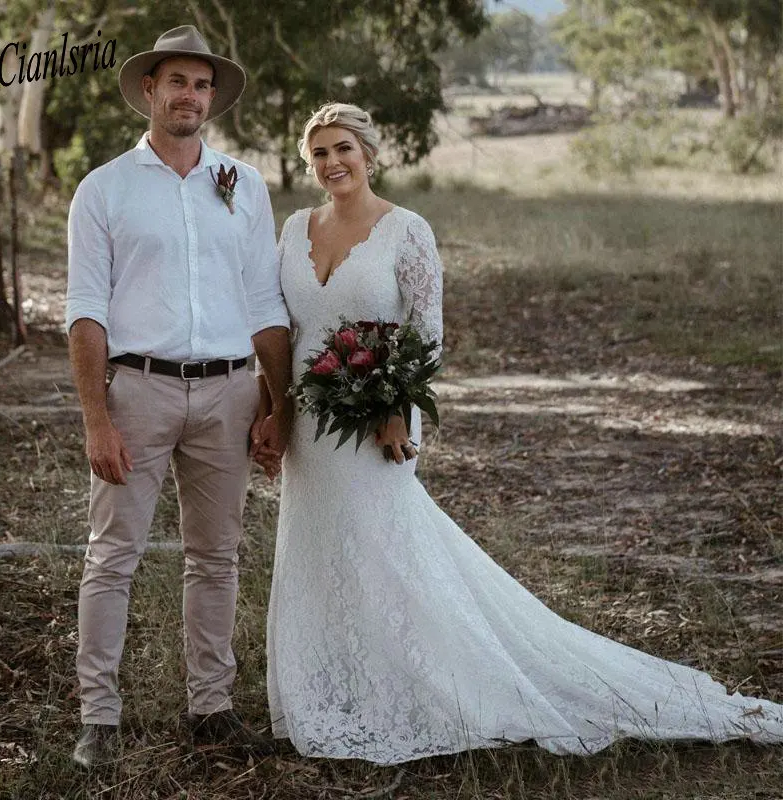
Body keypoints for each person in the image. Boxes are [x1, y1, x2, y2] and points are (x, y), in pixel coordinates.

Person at [255, 102, 783, 765]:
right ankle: (337, 683)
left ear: (369, 153)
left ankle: (422, 680)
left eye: (343, 149)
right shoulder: (294, 227)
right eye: (319, 154)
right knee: (319, 543)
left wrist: (394, 407)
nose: (332, 163)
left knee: (382, 543)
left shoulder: (406, 229)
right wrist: (273, 408)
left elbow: (425, 331)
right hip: (309, 416)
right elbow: (283, 328)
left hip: (374, 413)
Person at [65, 25, 292, 769]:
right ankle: (98, 715)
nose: (190, 95)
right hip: (137, 391)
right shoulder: (104, 188)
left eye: (202, 84)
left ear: (212, 98)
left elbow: (264, 300)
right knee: (113, 556)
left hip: (230, 393)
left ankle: (212, 705)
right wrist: (97, 419)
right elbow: (85, 311)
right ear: (149, 91)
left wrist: (279, 402)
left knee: (217, 556)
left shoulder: (244, 184)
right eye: (177, 82)